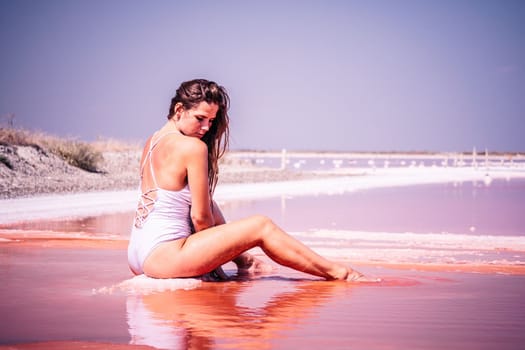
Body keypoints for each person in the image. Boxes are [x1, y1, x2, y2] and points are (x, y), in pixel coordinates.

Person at [127, 78, 374, 282]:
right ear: (180, 110)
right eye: (200, 118)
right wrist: (215, 265)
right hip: (164, 257)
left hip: (138, 253)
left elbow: (203, 206)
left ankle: (245, 261)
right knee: (261, 226)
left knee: (211, 203)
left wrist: (233, 255)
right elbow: (200, 218)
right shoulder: (191, 147)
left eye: (211, 121)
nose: (206, 128)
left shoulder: (153, 141)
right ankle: (340, 273)